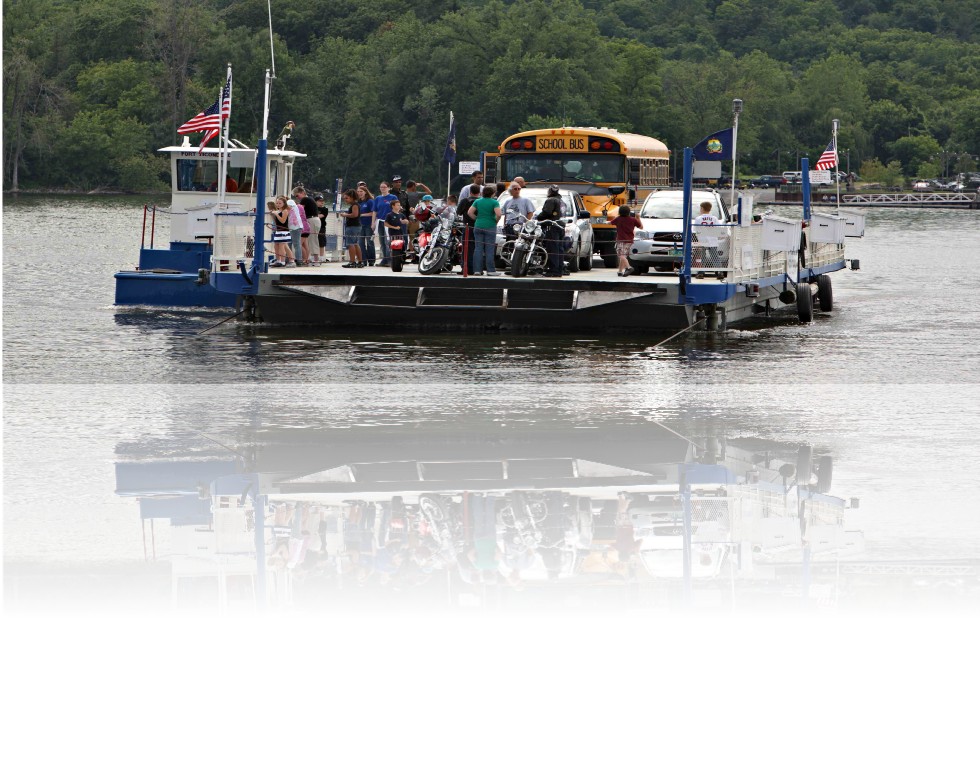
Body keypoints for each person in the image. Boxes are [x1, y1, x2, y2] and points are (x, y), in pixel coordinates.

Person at [467, 185, 501, 275]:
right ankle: (490, 270)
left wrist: (477, 218)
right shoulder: (494, 202)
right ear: (493, 193)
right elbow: (498, 214)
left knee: (478, 248)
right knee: (489, 249)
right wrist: (496, 221)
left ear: (482, 193)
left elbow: (470, 212)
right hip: (490, 225)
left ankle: (477, 270)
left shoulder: (477, 201)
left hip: (478, 225)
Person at [467, 493, 500, 571]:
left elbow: (498, 553)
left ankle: (491, 496)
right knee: (478, 519)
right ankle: (477, 496)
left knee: (489, 517)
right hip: (479, 543)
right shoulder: (477, 566)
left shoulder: (494, 565)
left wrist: (496, 546)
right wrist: (478, 548)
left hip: (490, 541)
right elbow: (470, 554)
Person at [607, 492, 643, 564]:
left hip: (629, 526)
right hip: (620, 527)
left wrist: (638, 549)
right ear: (619, 555)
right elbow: (609, 543)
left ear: (628, 556)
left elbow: (641, 539)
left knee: (622, 512)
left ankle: (620, 496)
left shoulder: (632, 547)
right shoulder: (618, 548)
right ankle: (628, 499)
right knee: (622, 511)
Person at [538, 184, 565, 277]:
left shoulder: (551, 200)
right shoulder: (561, 200)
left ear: (550, 191)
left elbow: (546, 212)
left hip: (552, 226)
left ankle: (553, 270)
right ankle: (559, 270)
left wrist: (538, 218)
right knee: (559, 249)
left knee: (552, 249)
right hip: (561, 226)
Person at [610, 204, 642, 277]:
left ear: (619, 212)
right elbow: (641, 227)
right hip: (630, 241)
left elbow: (610, 223)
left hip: (621, 240)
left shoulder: (618, 219)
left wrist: (605, 222)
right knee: (623, 255)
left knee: (620, 255)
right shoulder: (633, 219)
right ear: (628, 212)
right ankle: (620, 271)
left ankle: (628, 267)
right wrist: (638, 218)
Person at [456, 185, 481, 273]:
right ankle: (478, 268)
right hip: (480, 226)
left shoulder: (465, 201)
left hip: (468, 227)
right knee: (478, 248)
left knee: (467, 248)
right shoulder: (481, 201)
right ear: (479, 192)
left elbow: (458, 212)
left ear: (470, 192)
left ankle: (467, 268)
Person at [374, 182, 399, 266]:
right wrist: (373, 222)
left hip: (389, 222)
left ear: (388, 188)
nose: (383, 189)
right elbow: (375, 211)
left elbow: (397, 209)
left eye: (384, 187)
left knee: (387, 241)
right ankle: (384, 259)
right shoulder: (378, 198)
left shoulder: (393, 197)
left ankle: (389, 259)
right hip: (380, 221)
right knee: (382, 242)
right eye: (381, 187)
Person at [294, 187, 319, 265]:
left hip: (311, 219)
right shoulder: (309, 199)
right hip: (312, 220)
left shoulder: (305, 199)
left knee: (312, 240)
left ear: (302, 192)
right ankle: (308, 259)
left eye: (297, 195)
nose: (297, 198)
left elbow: (298, 210)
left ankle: (316, 260)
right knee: (307, 242)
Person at [339, 189, 363, 267]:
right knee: (356, 244)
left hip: (352, 226)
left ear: (352, 197)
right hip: (357, 226)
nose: (345, 200)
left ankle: (352, 261)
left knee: (351, 244)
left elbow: (355, 214)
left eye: (347, 198)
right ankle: (360, 261)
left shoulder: (355, 205)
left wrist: (345, 215)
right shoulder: (356, 204)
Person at [268, 196, 294, 266]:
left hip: (284, 231)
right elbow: (276, 223)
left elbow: (283, 221)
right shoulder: (278, 211)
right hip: (278, 230)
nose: (278, 205)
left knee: (282, 246)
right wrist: (272, 216)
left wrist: (276, 214)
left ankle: (283, 262)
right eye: (277, 203)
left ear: (284, 204)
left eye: (280, 203)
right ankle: (278, 260)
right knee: (276, 246)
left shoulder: (285, 211)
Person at [356, 186, 376, 266]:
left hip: (368, 224)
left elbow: (373, 212)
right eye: (358, 191)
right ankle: (363, 260)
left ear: (365, 192)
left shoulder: (370, 201)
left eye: (361, 191)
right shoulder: (358, 202)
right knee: (361, 243)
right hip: (360, 224)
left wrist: (362, 215)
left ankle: (371, 260)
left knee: (369, 242)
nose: (359, 193)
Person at [285, 199, 305, 267]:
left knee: (296, 243)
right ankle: (289, 259)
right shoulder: (291, 206)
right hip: (291, 227)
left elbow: (287, 208)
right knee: (289, 243)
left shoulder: (290, 202)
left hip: (295, 227)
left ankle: (299, 260)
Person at [315, 193, 329, 262]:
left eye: (323, 201)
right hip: (314, 226)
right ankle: (314, 256)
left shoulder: (325, 209)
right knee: (314, 241)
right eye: (320, 201)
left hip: (322, 226)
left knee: (321, 242)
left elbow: (321, 216)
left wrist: (313, 216)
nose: (322, 202)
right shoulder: (313, 208)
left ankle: (321, 257)